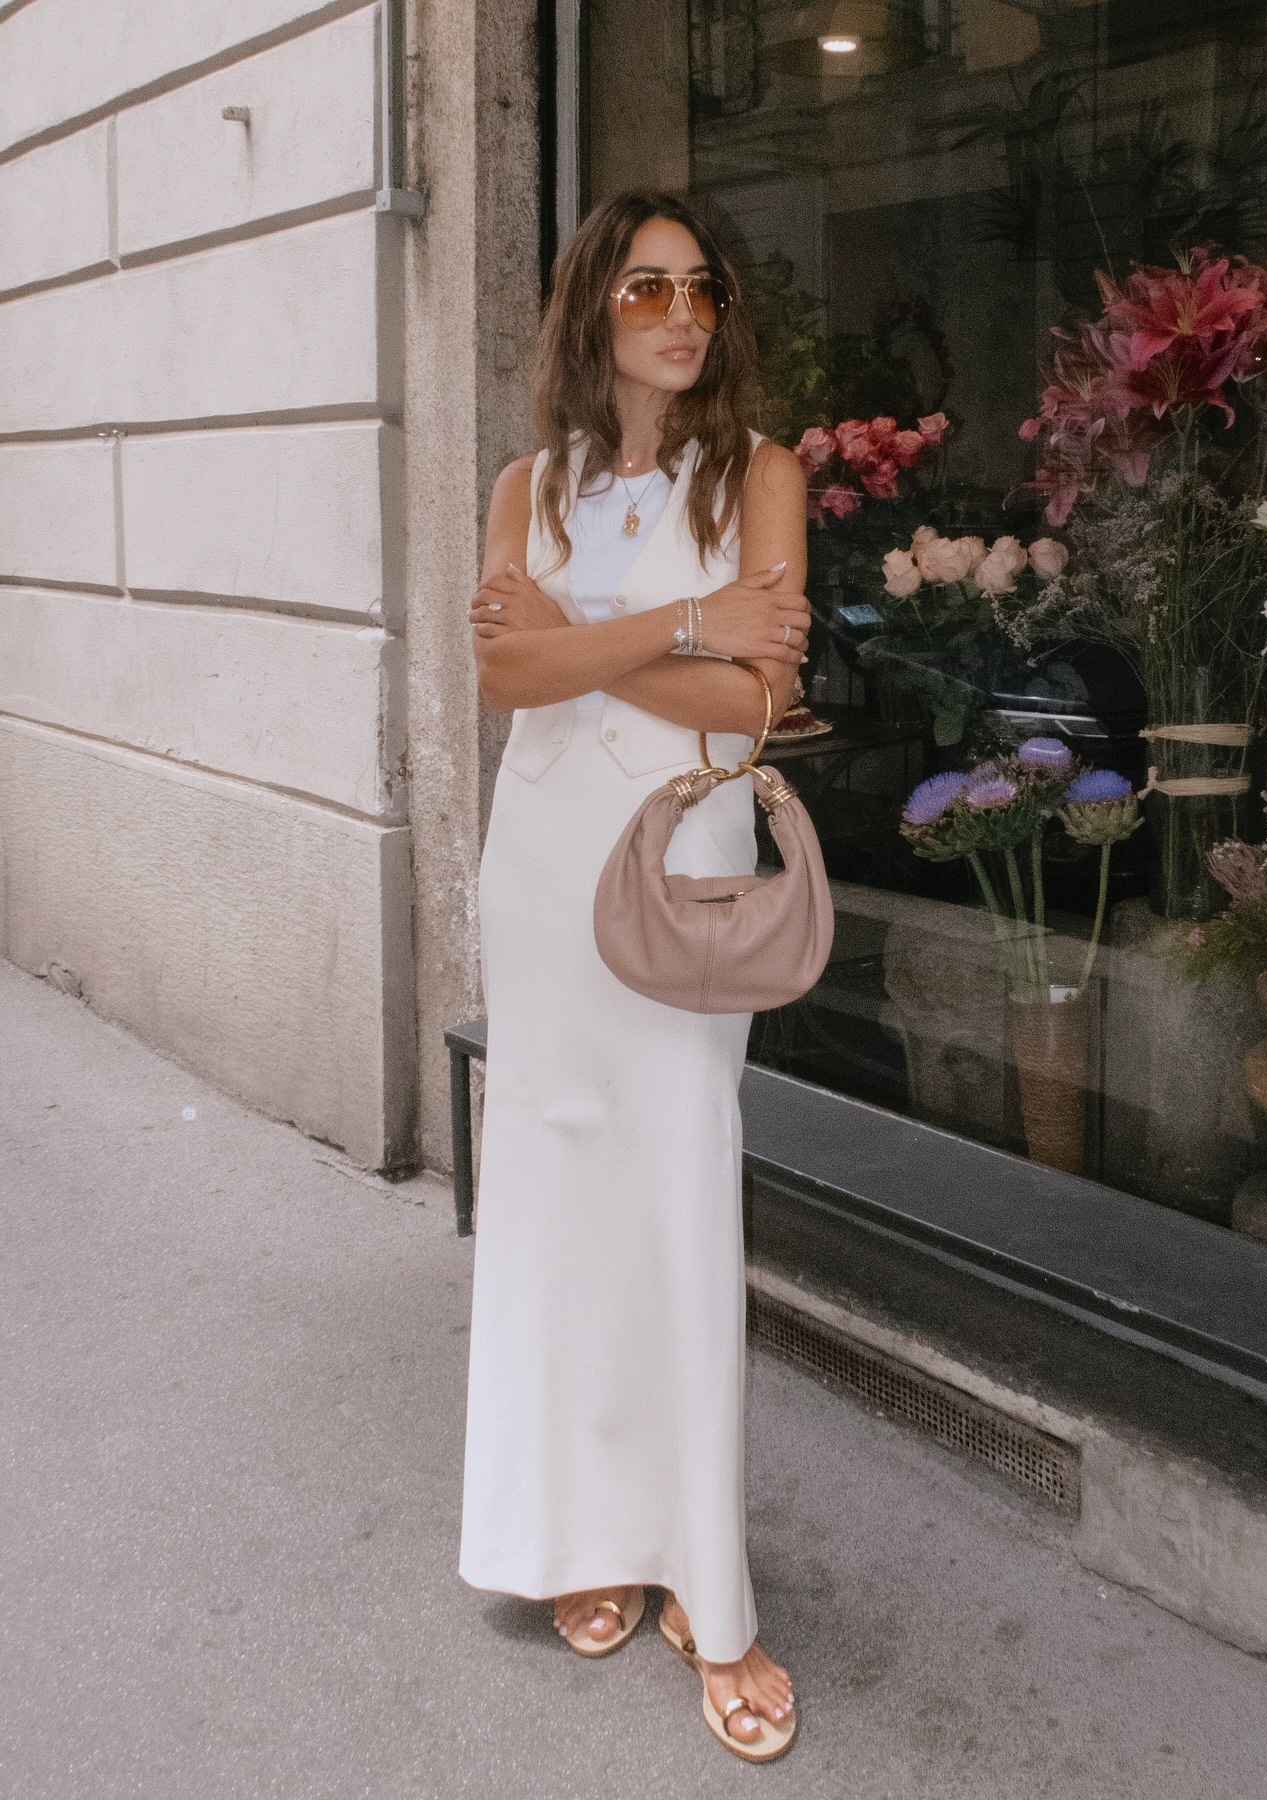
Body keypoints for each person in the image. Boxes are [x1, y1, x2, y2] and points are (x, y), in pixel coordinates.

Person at [459, 189, 811, 1762]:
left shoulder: (761, 477)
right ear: (592, 305)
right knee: (555, 1193)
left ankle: (708, 1593)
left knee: (677, 1191)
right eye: (647, 287)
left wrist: (585, 640)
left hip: (680, 870)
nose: (682, 314)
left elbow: (754, 704)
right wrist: (683, 621)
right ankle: (578, 1534)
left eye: (703, 288)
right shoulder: (524, 486)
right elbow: (502, 672)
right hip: (540, 868)